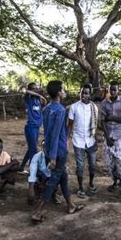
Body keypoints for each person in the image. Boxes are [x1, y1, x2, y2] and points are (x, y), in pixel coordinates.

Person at [32, 80, 84, 223]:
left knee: (63, 177)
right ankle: (38, 211)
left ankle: (70, 205)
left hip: (49, 149)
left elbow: (47, 133)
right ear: (58, 92)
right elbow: (55, 135)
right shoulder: (60, 110)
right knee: (53, 180)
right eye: (63, 89)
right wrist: (54, 157)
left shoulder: (47, 109)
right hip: (58, 151)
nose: (64, 91)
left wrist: (49, 152)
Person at [67, 84, 99, 198]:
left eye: (86, 93)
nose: (83, 95)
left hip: (91, 140)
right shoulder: (74, 107)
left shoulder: (94, 108)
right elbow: (70, 125)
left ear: (90, 95)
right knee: (80, 165)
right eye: (82, 92)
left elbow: (96, 125)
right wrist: (67, 140)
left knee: (93, 165)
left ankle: (91, 183)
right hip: (78, 140)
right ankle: (80, 187)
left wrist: (96, 140)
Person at [101, 83, 121, 195]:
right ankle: (115, 181)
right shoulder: (104, 103)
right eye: (111, 90)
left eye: (115, 90)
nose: (112, 92)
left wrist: (112, 118)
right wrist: (107, 137)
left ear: (118, 90)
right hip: (108, 136)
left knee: (119, 161)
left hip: (119, 136)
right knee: (109, 162)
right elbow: (102, 121)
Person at [20, 83, 47, 172]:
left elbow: (45, 103)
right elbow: (26, 91)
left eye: (37, 88)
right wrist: (40, 95)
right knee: (34, 151)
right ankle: (33, 172)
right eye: (34, 88)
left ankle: (21, 167)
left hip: (36, 128)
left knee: (31, 149)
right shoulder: (28, 98)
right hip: (30, 128)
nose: (36, 89)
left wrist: (42, 97)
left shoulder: (37, 99)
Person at [27, 140, 62, 205]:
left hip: (50, 178)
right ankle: (36, 192)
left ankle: (53, 194)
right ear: (42, 148)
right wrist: (31, 188)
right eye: (45, 147)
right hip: (40, 178)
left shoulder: (58, 157)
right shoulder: (37, 156)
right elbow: (32, 172)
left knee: (59, 175)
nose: (47, 149)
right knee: (33, 173)